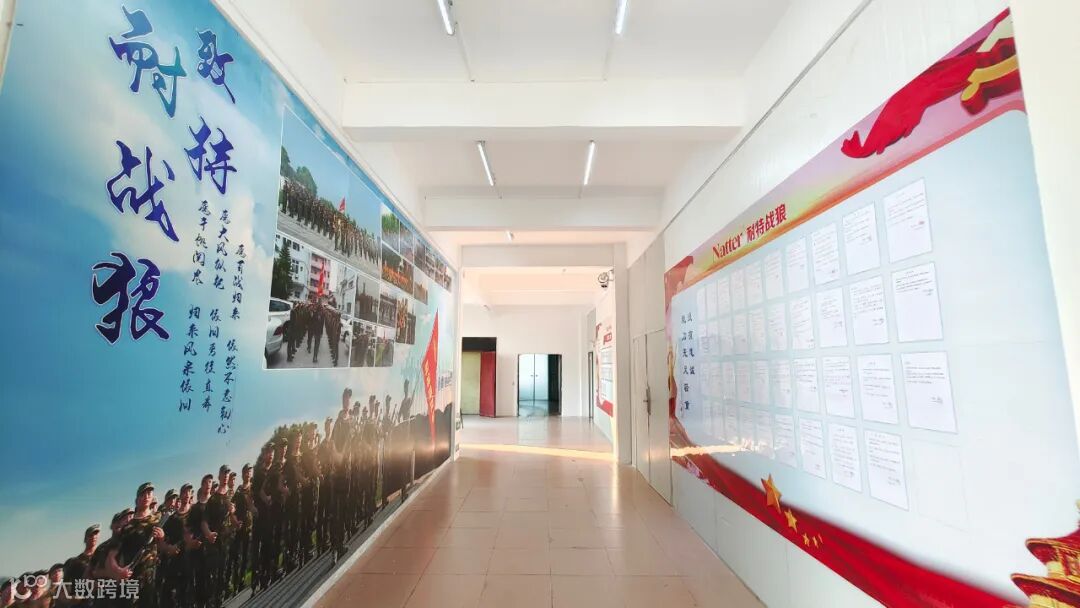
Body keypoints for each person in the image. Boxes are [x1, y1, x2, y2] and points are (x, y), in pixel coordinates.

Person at [110, 482, 165, 607]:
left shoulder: (158, 519)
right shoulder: (128, 526)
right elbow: (113, 555)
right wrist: (119, 571)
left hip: (151, 576)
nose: (146, 496)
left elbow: (163, 548)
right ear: (137, 499)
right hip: (131, 577)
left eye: (149, 493)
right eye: (143, 494)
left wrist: (161, 537)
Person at [230, 464, 255, 592]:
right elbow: (232, 506)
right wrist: (234, 519)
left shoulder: (253, 487)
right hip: (239, 527)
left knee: (247, 555)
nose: (248, 474)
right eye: (246, 472)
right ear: (243, 474)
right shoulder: (239, 490)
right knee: (237, 556)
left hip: (250, 525)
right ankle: (236, 582)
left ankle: (243, 580)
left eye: (250, 472)